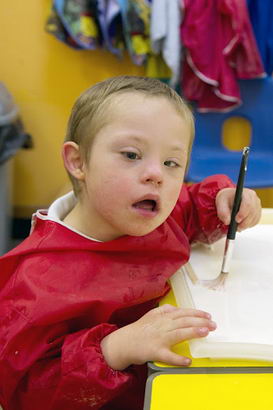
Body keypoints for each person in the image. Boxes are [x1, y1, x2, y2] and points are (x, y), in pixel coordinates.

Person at [0, 76, 261, 410]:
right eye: (131, 154)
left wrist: (223, 203)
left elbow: (189, 207)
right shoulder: (37, 280)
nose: (157, 174)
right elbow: (25, 393)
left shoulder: (154, 215)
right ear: (79, 162)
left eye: (171, 163)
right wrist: (114, 349)